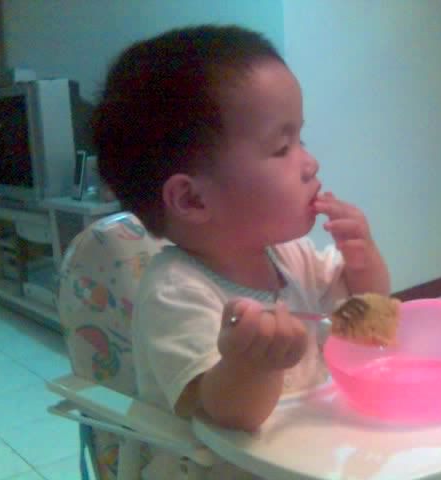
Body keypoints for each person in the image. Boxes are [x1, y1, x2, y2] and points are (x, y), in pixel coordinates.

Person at [92, 24, 391, 479]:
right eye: (283, 147)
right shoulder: (176, 292)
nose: (310, 163)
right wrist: (249, 365)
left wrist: (363, 259)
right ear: (193, 199)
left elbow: (369, 314)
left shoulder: (293, 256)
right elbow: (229, 417)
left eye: (302, 140)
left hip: (307, 460)